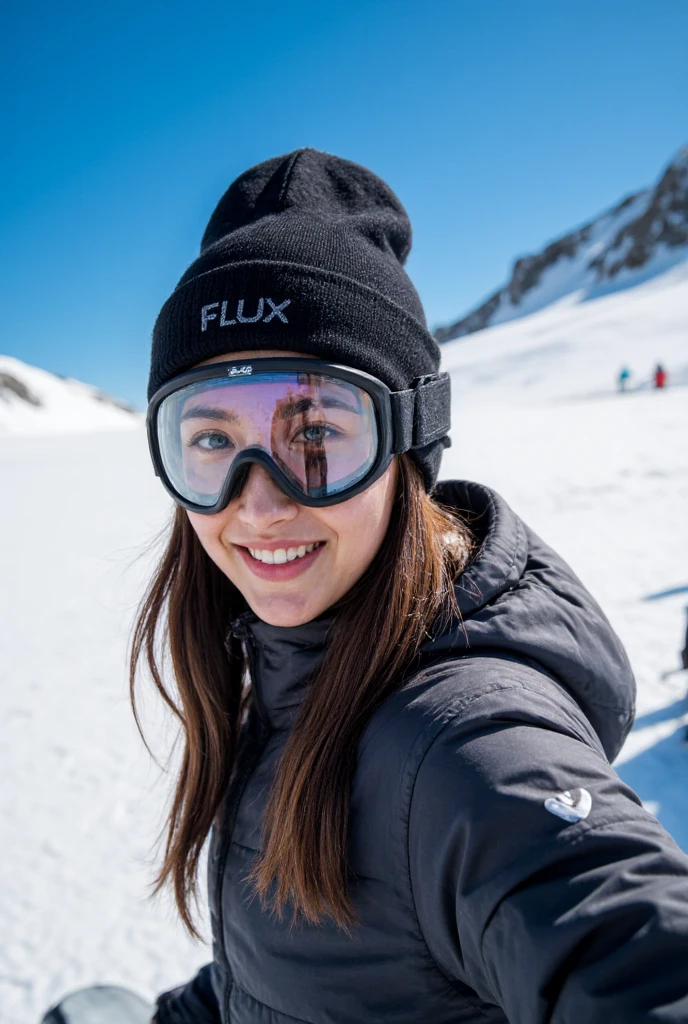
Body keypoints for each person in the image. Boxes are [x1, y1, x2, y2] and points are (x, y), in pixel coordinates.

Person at [134, 149, 688, 1024]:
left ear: (408, 446)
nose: (260, 502)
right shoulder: (292, 673)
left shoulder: (464, 746)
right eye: (208, 440)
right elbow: (312, 969)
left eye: (316, 432)